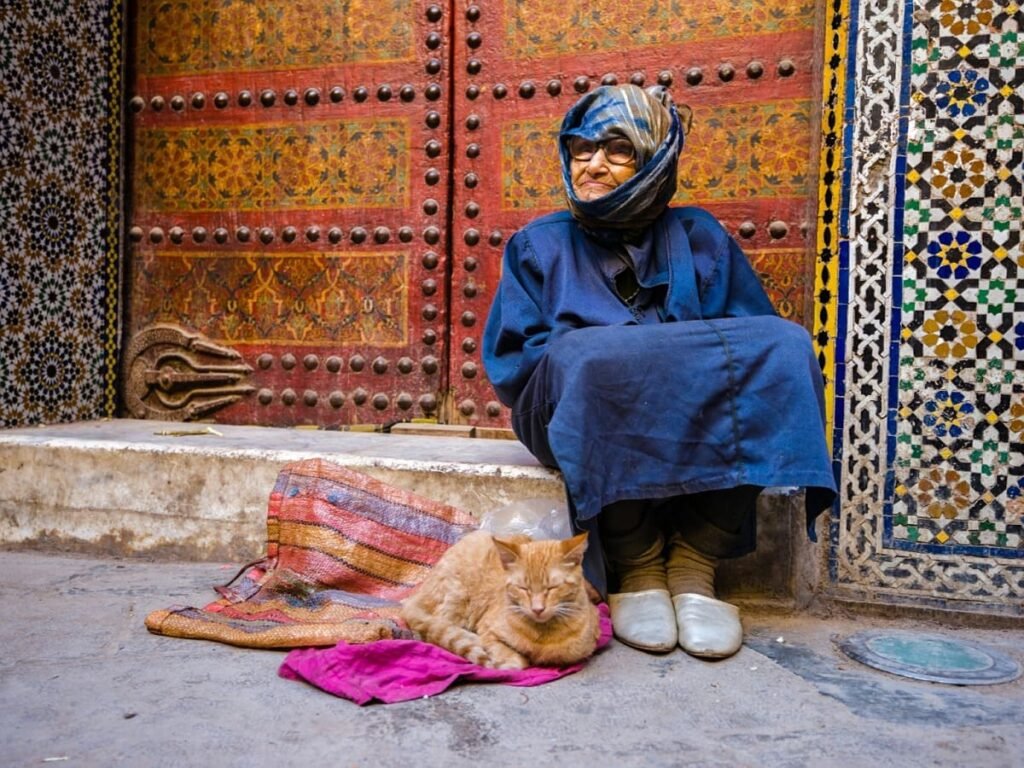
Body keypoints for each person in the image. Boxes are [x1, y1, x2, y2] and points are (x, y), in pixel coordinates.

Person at [482, 84, 837, 660]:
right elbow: (518, 365)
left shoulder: (699, 237)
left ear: (654, 160)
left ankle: (696, 561)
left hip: (692, 418)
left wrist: (666, 370)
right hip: (575, 413)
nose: (592, 163)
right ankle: (639, 563)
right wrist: (626, 362)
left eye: (617, 149)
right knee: (591, 358)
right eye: (580, 148)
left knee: (785, 346)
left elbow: (744, 352)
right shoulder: (538, 245)